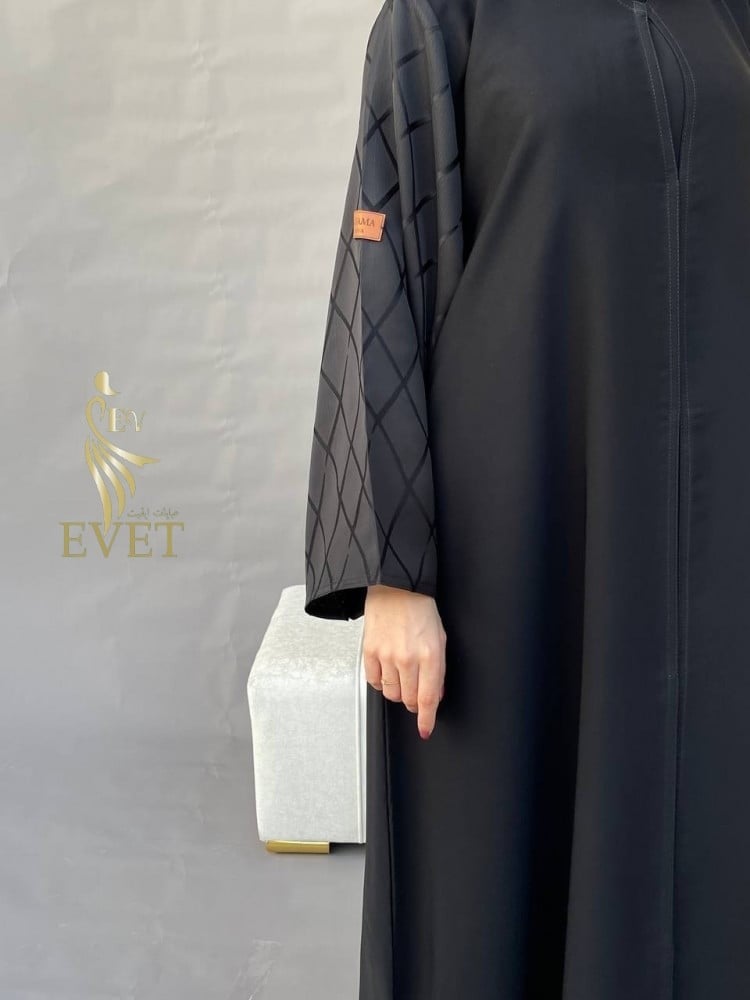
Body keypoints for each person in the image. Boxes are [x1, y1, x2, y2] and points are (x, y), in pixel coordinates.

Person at [303, 0, 750, 996]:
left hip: (700, 538)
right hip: (513, 541)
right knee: (495, 879)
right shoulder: (445, 16)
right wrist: (391, 577)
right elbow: (383, 271)